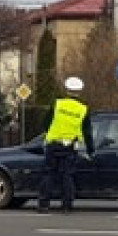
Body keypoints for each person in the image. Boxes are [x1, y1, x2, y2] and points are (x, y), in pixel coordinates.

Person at [38, 76, 95, 214]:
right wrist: (90, 150)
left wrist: (49, 133)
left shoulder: (57, 104)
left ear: (67, 90)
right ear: (79, 91)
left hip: (53, 144)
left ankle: (44, 204)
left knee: (49, 174)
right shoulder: (83, 109)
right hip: (69, 147)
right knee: (67, 175)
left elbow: (45, 123)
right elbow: (87, 132)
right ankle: (66, 206)